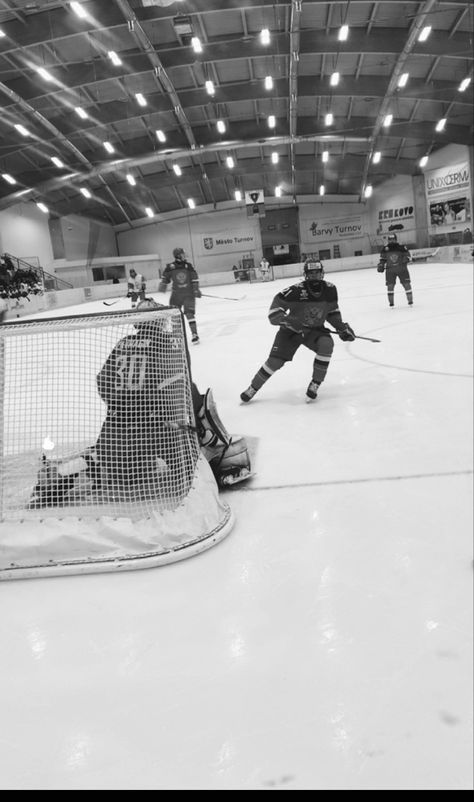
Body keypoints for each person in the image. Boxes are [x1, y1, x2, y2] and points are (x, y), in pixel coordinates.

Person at [29, 299, 251, 508]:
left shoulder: (123, 343)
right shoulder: (167, 343)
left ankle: (66, 471)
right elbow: (181, 391)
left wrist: (124, 404)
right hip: (157, 432)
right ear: (159, 319)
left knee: (122, 469)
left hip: (115, 428)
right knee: (190, 469)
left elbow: (102, 382)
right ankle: (208, 449)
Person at [240, 258, 355, 403]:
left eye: (317, 273)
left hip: (314, 330)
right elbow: (273, 313)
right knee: (275, 362)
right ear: (306, 274)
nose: (314, 276)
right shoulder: (295, 291)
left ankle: (315, 383)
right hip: (290, 331)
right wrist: (288, 321)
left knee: (327, 344)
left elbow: (332, 312)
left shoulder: (330, 290)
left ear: (322, 273)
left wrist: (341, 328)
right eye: (311, 273)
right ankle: (253, 387)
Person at [158, 247, 201, 344]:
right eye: (183, 254)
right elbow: (166, 278)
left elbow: (194, 278)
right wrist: (163, 283)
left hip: (188, 294)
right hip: (176, 295)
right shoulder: (170, 266)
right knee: (175, 314)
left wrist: (195, 289)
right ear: (178, 255)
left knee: (189, 313)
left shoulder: (188, 266)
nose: (184, 255)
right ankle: (177, 336)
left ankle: (194, 334)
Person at [377, 233, 413, 307]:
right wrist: (381, 264)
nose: (392, 241)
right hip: (390, 271)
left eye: (393, 239)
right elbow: (382, 259)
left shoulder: (402, 247)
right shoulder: (385, 249)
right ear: (388, 240)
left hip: (402, 269)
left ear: (396, 240)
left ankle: (410, 302)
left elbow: (408, 256)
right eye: (390, 240)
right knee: (390, 286)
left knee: (407, 285)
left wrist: (406, 259)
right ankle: (391, 304)